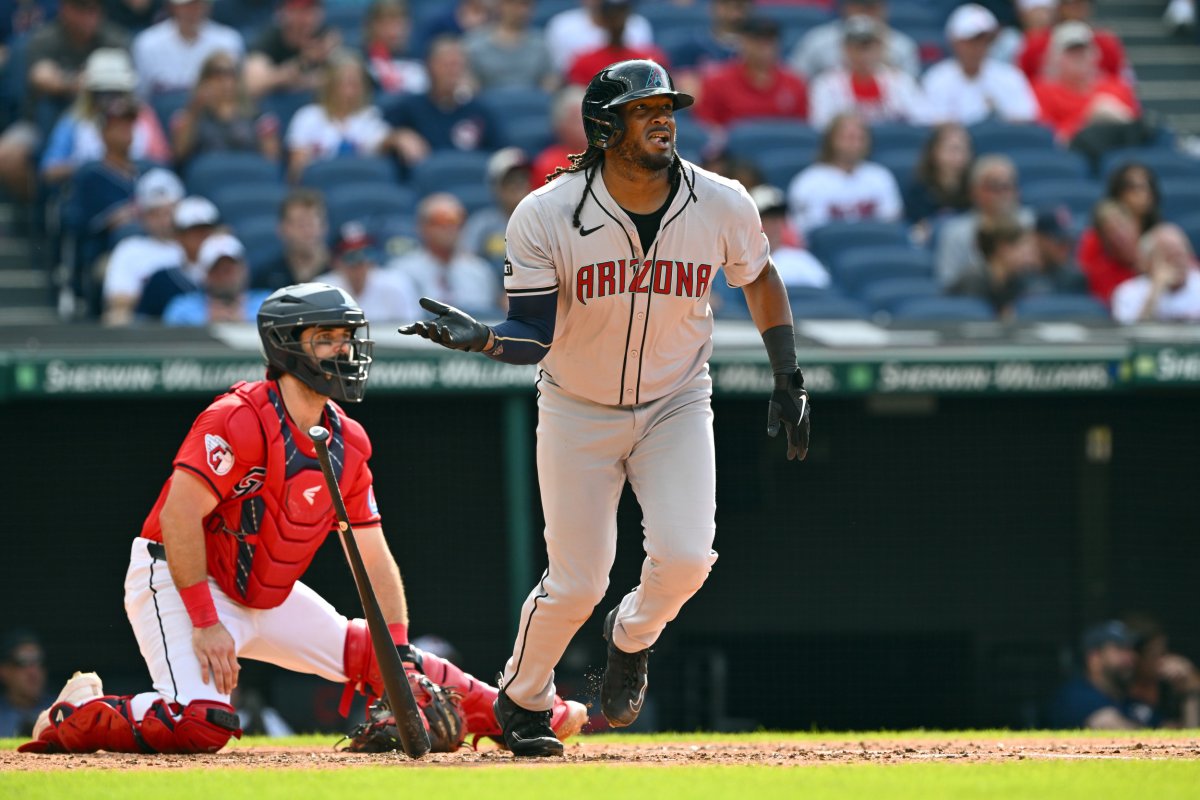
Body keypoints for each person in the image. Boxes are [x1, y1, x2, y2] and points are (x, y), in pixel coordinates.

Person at [397, 59, 810, 757]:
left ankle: (632, 636)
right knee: (576, 581)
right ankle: (523, 700)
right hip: (577, 406)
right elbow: (531, 337)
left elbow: (759, 276)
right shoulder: (547, 212)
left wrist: (789, 375)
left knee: (687, 557)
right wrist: (485, 339)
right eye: (645, 109)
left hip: (677, 398)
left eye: (668, 108)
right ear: (604, 125)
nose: (663, 120)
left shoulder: (721, 201)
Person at [19, 283, 586, 756]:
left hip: (262, 593)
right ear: (288, 348)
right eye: (326, 340)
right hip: (180, 578)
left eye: (346, 338)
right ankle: (79, 713)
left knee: (380, 654)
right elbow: (178, 515)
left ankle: (519, 714)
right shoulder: (235, 418)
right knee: (200, 724)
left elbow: (373, 554)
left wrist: (401, 653)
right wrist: (203, 619)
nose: (343, 351)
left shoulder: (349, 441)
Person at [0, 0, 129, 200]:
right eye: (80, 8)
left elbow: (127, 85)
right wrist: (78, 83)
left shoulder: (113, 38)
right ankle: (43, 209)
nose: (88, 15)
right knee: (6, 156)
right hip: (43, 122)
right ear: (65, 9)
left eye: (93, 9)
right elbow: (41, 76)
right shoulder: (45, 37)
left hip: (104, 121)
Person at [39, 47, 171, 186]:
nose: (110, 101)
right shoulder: (74, 120)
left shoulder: (143, 117)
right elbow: (49, 171)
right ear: (91, 93)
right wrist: (99, 167)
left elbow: (163, 164)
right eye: (103, 93)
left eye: (116, 93)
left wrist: (126, 167)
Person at [383, 35, 500, 168]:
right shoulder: (410, 107)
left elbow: (501, 153)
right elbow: (374, 132)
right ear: (429, 67)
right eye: (446, 65)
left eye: (458, 65)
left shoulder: (478, 111)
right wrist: (396, 137)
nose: (453, 72)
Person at [921, 4, 1039, 127]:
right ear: (954, 42)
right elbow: (929, 124)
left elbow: (1027, 118)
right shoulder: (937, 79)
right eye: (971, 41)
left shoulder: (1010, 76)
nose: (978, 47)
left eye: (985, 40)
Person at [786, 112, 903, 234]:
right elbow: (804, 233)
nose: (855, 144)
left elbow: (891, 225)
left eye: (861, 138)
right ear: (831, 140)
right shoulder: (808, 182)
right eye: (849, 137)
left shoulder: (880, 177)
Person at [285, 50, 391, 182]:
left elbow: (382, 147)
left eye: (356, 84)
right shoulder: (308, 117)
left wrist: (398, 138)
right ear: (329, 84)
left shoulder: (371, 117)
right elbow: (296, 172)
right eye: (345, 83)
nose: (351, 91)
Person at [390, 192, 502, 318]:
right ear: (421, 226)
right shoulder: (401, 271)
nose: (449, 228)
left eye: (455, 220)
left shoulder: (480, 271)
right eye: (440, 220)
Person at [807, 15, 928, 130]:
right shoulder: (826, 84)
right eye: (856, 46)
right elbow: (820, 126)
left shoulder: (901, 82)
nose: (863, 54)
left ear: (880, 48)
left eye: (868, 46)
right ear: (845, 49)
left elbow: (921, 121)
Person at [102, 167, 187, 325]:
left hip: (190, 318)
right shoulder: (130, 249)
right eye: (155, 213)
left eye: (169, 211)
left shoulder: (193, 243)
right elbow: (117, 300)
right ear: (142, 216)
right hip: (147, 321)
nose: (164, 221)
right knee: (116, 317)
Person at [935, 154, 1033, 289]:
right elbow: (947, 282)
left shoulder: (1029, 223)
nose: (1003, 193)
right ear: (975, 191)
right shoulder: (955, 232)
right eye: (995, 186)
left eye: (1008, 186)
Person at [1032, 22, 1140, 146]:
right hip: (1074, 154)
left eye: (1084, 50)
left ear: (1095, 53)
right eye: (1071, 52)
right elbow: (1052, 140)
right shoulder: (1042, 91)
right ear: (1055, 58)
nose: (1079, 56)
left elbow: (1136, 130)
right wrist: (1089, 118)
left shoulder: (1118, 86)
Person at [170, 50, 282, 169]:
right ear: (204, 80)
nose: (225, 82)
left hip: (246, 176)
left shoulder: (259, 117)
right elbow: (179, 155)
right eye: (217, 75)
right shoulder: (187, 116)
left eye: (231, 75)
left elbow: (271, 163)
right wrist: (194, 110)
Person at [692, 17, 808, 130]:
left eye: (770, 42)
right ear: (743, 42)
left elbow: (800, 130)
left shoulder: (795, 84)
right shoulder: (717, 83)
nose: (764, 48)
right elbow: (706, 127)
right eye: (757, 41)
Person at [1048, 620, 1157, 728]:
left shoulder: (1129, 702)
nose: (1131, 657)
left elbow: (1168, 726)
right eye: (1120, 649)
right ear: (1094, 659)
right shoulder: (1075, 696)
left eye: (1131, 649)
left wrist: (1174, 685)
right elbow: (1116, 728)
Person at [130, 0, 244, 97]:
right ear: (172, 7)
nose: (192, 11)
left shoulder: (228, 42)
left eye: (197, 4)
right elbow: (141, 96)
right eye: (186, 6)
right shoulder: (147, 43)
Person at [134, 194, 220, 318]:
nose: (202, 237)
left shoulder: (228, 273)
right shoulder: (161, 280)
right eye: (194, 232)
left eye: (207, 231)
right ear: (179, 236)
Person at [316, 221, 420, 322]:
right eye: (351, 257)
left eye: (365, 254)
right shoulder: (323, 289)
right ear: (336, 261)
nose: (359, 264)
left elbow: (411, 331)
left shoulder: (396, 284)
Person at [788, 0, 919, 80]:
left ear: (883, 8)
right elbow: (797, 81)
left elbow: (912, 91)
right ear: (846, 7)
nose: (865, 12)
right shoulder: (818, 40)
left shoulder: (902, 45)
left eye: (871, 7)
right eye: (859, 5)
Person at [163, 233, 273, 324]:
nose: (224, 276)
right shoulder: (182, 309)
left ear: (244, 269)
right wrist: (207, 325)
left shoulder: (267, 305)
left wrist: (245, 324)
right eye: (216, 270)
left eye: (229, 269)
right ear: (204, 274)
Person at [244, 0, 341, 97]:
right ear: (283, 14)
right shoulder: (270, 39)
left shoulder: (326, 37)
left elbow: (341, 77)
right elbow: (252, 85)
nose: (306, 18)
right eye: (298, 11)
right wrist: (302, 62)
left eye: (310, 10)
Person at [949, 214, 1039, 318]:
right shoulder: (973, 280)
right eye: (1023, 245)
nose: (1030, 252)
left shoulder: (1017, 279)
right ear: (1004, 248)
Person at [1018, 0, 1130, 82]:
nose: (1075, 8)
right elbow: (1023, 83)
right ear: (1058, 6)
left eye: (1080, 3)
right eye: (1069, 3)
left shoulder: (1106, 43)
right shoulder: (1036, 43)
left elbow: (1120, 80)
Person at [462, 147, 535, 271]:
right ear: (495, 186)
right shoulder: (481, 224)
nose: (518, 185)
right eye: (510, 180)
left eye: (523, 178)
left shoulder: (545, 223)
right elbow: (466, 265)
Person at [564, 0, 669, 87]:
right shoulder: (583, 63)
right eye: (611, 16)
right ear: (602, 20)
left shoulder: (650, 59)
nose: (617, 21)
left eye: (621, 15)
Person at [1111, 223, 1200, 323]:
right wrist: (1156, 290)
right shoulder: (1128, 293)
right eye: (1170, 256)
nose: (1178, 263)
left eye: (1181, 254)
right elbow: (1129, 335)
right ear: (1148, 262)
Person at [1123, 614, 1200, 728]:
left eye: (1164, 652)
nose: (1164, 660)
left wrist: (1190, 688)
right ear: (1137, 658)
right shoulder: (1120, 692)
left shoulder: (1169, 684)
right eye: (1156, 655)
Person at [750, 184, 830, 290]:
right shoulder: (732, 263)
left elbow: (825, 294)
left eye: (779, 218)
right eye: (766, 219)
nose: (775, 225)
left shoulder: (801, 258)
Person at [464, 0, 555, 92]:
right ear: (501, 6)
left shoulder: (540, 42)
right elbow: (469, 80)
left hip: (531, 101)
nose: (522, 11)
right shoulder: (475, 43)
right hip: (485, 102)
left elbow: (550, 78)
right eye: (514, 4)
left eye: (526, 5)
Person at [544, 0, 654, 76]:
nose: (616, 22)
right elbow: (563, 72)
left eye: (619, 16)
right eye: (611, 17)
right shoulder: (563, 25)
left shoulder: (639, 24)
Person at [904, 122, 973, 240]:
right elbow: (913, 228)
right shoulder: (918, 189)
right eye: (953, 149)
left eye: (964, 149)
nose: (959, 155)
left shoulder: (976, 188)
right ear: (935, 151)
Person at [253, 188, 331, 290]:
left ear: (324, 227)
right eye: (301, 224)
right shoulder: (267, 275)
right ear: (282, 229)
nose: (307, 231)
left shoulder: (339, 271)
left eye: (312, 224)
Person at [1077, 199, 1140, 304]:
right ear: (1104, 241)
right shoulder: (1100, 275)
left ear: (1136, 224)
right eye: (1111, 232)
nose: (1120, 235)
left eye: (1122, 225)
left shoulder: (1157, 254)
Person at [362, 0, 428, 98]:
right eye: (386, 24)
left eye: (399, 23)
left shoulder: (422, 60)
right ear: (372, 26)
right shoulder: (362, 63)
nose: (394, 31)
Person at [530, 85, 588, 190]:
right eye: (577, 120)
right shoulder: (548, 165)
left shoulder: (609, 155)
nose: (585, 125)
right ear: (560, 125)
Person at [0, 630, 54, 739]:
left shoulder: (60, 709)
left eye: (39, 662)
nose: (33, 671)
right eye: (23, 662)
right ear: (4, 671)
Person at [1031, 205, 1089, 294]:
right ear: (1038, 239)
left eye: (1068, 241)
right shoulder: (1019, 275)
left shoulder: (1075, 279)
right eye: (1059, 241)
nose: (1066, 247)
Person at [1106, 162, 1162, 235]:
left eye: (1146, 186)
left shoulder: (1162, 235)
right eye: (1133, 187)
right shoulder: (1101, 236)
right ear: (1119, 193)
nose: (1142, 193)